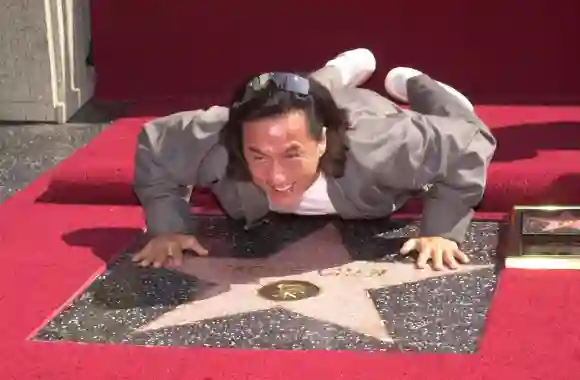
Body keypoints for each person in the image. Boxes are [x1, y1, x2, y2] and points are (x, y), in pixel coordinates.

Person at [131, 49, 496, 271]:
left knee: (460, 116)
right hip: (304, 112)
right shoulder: (221, 132)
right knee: (292, 98)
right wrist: (169, 226)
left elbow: (471, 143)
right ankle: (334, 74)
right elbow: (155, 144)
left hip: (365, 115)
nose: (275, 177)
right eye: (257, 155)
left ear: (321, 143)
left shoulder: (383, 144)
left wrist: (440, 229)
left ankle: (418, 83)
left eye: (292, 156)